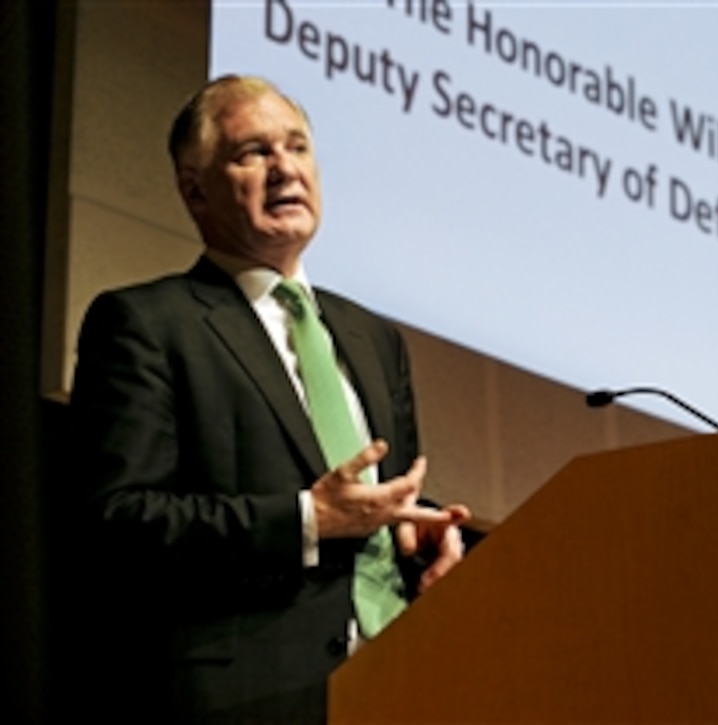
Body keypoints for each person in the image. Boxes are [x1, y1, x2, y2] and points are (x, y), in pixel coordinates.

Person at [70, 75, 470, 722]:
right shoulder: (146, 323)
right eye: (252, 152)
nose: (285, 166)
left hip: (401, 680)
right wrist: (306, 520)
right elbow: (118, 522)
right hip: (251, 696)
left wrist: (418, 531)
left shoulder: (374, 338)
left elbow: (377, 500)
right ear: (194, 189)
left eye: (298, 146)